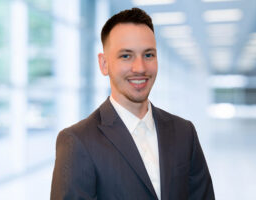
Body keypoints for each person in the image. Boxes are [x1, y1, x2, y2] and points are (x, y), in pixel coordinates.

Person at [51, 7, 215, 200]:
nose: (140, 68)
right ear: (104, 64)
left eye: (148, 55)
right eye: (126, 56)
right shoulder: (77, 141)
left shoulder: (184, 132)